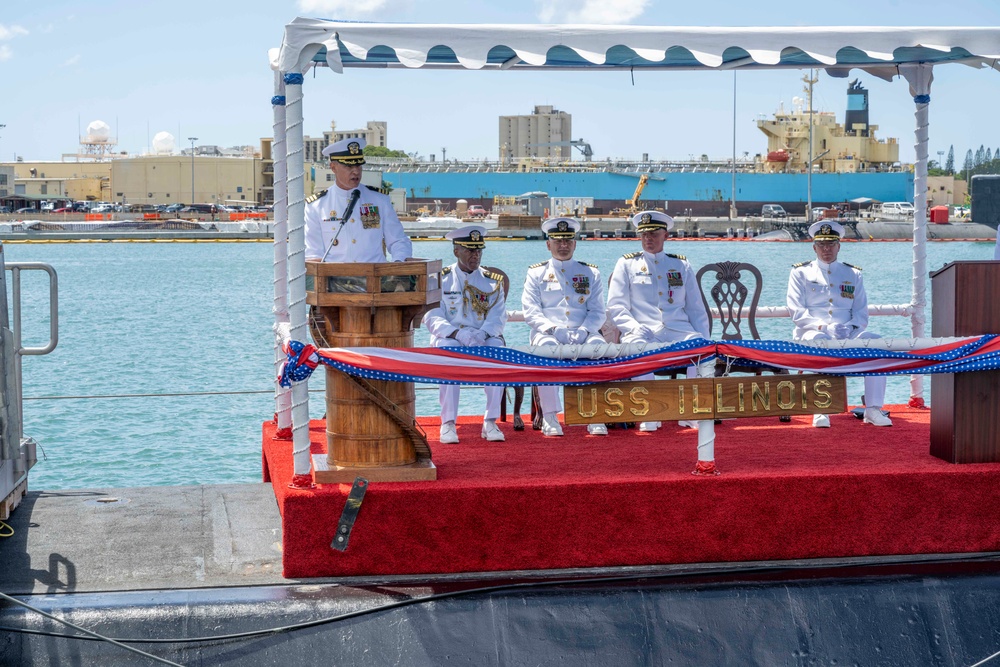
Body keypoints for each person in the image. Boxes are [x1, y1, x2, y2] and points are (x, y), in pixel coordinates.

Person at [607, 210, 711, 433]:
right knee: (638, 348)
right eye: (644, 234)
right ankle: (649, 410)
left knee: (700, 348)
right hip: (641, 328)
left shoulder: (681, 265)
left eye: (654, 233)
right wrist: (633, 328)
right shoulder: (626, 264)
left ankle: (691, 411)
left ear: (666, 235)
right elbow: (616, 306)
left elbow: (695, 308)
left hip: (676, 328)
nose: (648, 239)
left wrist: (705, 339)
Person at [786, 220, 893, 427]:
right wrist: (824, 327)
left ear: (839, 246)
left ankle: (872, 409)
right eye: (822, 245)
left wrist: (852, 328)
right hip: (811, 332)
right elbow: (796, 311)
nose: (827, 249)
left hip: (847, 334)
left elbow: (861, 312)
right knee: (820, 340)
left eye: (831, 244)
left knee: (877, 344)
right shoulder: (800, 273)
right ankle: (820, 410)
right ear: (814, 247)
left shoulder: (853, 274)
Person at [522, 217, 608, 437]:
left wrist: (586, 330)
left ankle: (594, 414)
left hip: (584, 331)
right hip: (548, 332)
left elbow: (598, 311)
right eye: (557, 241)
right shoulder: (536, 273)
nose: (563, 245)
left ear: (575, 244)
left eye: (568, 241)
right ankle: (551, 417)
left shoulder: (590, 273)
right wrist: (552, 329)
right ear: (548, 244)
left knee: (599, 349)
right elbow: (531, 311)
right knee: (546, 351)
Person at [422, 225, 508, 444]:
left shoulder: (491, 281)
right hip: (451, 336)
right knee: (449, 351)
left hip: (483, 336)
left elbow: (498, 316)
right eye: (469, 250)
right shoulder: (440, 279)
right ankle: (448, 423)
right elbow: (432, 315)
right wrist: (457, 333)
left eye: (479, 250)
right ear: (456, 251)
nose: (475, 255)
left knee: (498, 351)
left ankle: (490, 421)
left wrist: (482, 334)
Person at [304, 137, 412, 263]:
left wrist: (399, 263)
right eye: (349, 166)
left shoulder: (379, 199)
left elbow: (398, 240)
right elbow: (313, 253)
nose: (355, 171)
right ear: (333, 167)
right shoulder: (316, 205)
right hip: (335, 280)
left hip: (375, 278)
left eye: (358, 165)